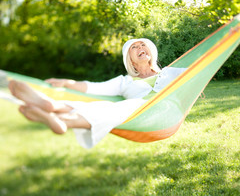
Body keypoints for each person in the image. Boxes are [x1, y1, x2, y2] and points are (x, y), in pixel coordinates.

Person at [8, 38, 187, 148]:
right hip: (138, 116)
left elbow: (200, 72)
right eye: (134, 47)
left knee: (130, 105)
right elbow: (93, 88)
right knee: (109, 107)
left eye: (143, 45)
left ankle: (57, 111)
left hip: (164, 115)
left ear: (150, 51)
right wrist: (66, 82)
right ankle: (59, 116)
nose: (140, 47)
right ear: (129, 60)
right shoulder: (125, 81)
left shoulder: (170, 73)